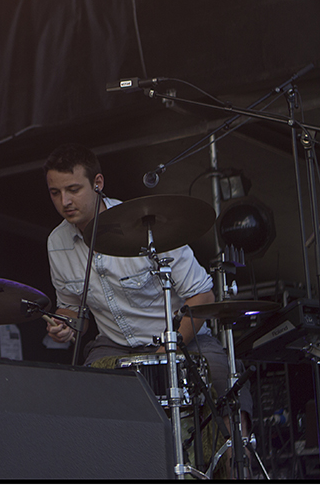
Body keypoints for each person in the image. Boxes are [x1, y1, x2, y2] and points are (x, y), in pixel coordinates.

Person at [42, 144, 252, 469]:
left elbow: (202, 296)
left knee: (223, 379)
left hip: (180, 338)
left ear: (98, 183)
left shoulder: (147, 224)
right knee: (82, 391)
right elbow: (71, 308)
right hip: (114, 344)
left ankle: (236, 468)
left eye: (73, 189)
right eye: (55, 193)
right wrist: (64, 325)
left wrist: (168, 349)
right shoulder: (57, 243)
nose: (65, 201)